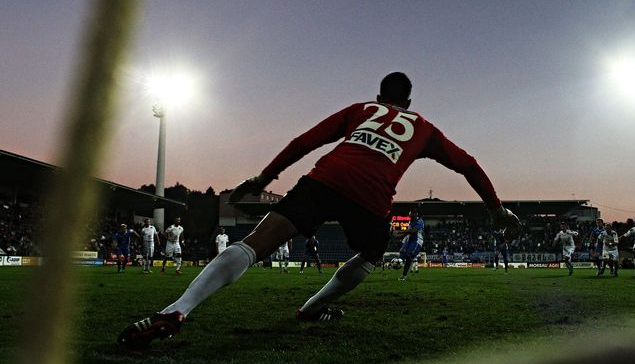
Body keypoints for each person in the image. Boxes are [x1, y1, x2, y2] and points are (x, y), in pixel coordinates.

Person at [118, 71, 521, 349]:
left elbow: (304, 141)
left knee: (257, 242)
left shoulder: (360, 110)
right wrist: (496, 208)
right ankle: (311, 308)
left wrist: (263, 178)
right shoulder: (425, 128)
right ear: (409, 102)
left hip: (324, 179)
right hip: (371, 196)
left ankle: (177, 310)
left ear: (380, 98)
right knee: (372, 254)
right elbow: (467, 163)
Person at [399, 210, 424, 281]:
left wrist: (401, 232)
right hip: (410, 240)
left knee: (409, 255)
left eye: (411, 215)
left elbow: (413, 231)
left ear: (415, 214)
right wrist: (400, 236)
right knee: (403, 255)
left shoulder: (419, 221)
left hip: (417, 241)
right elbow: (408, 233)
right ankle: (403, 275)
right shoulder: (411, 222)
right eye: (409, 215)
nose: (409, 216)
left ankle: (404, 275)